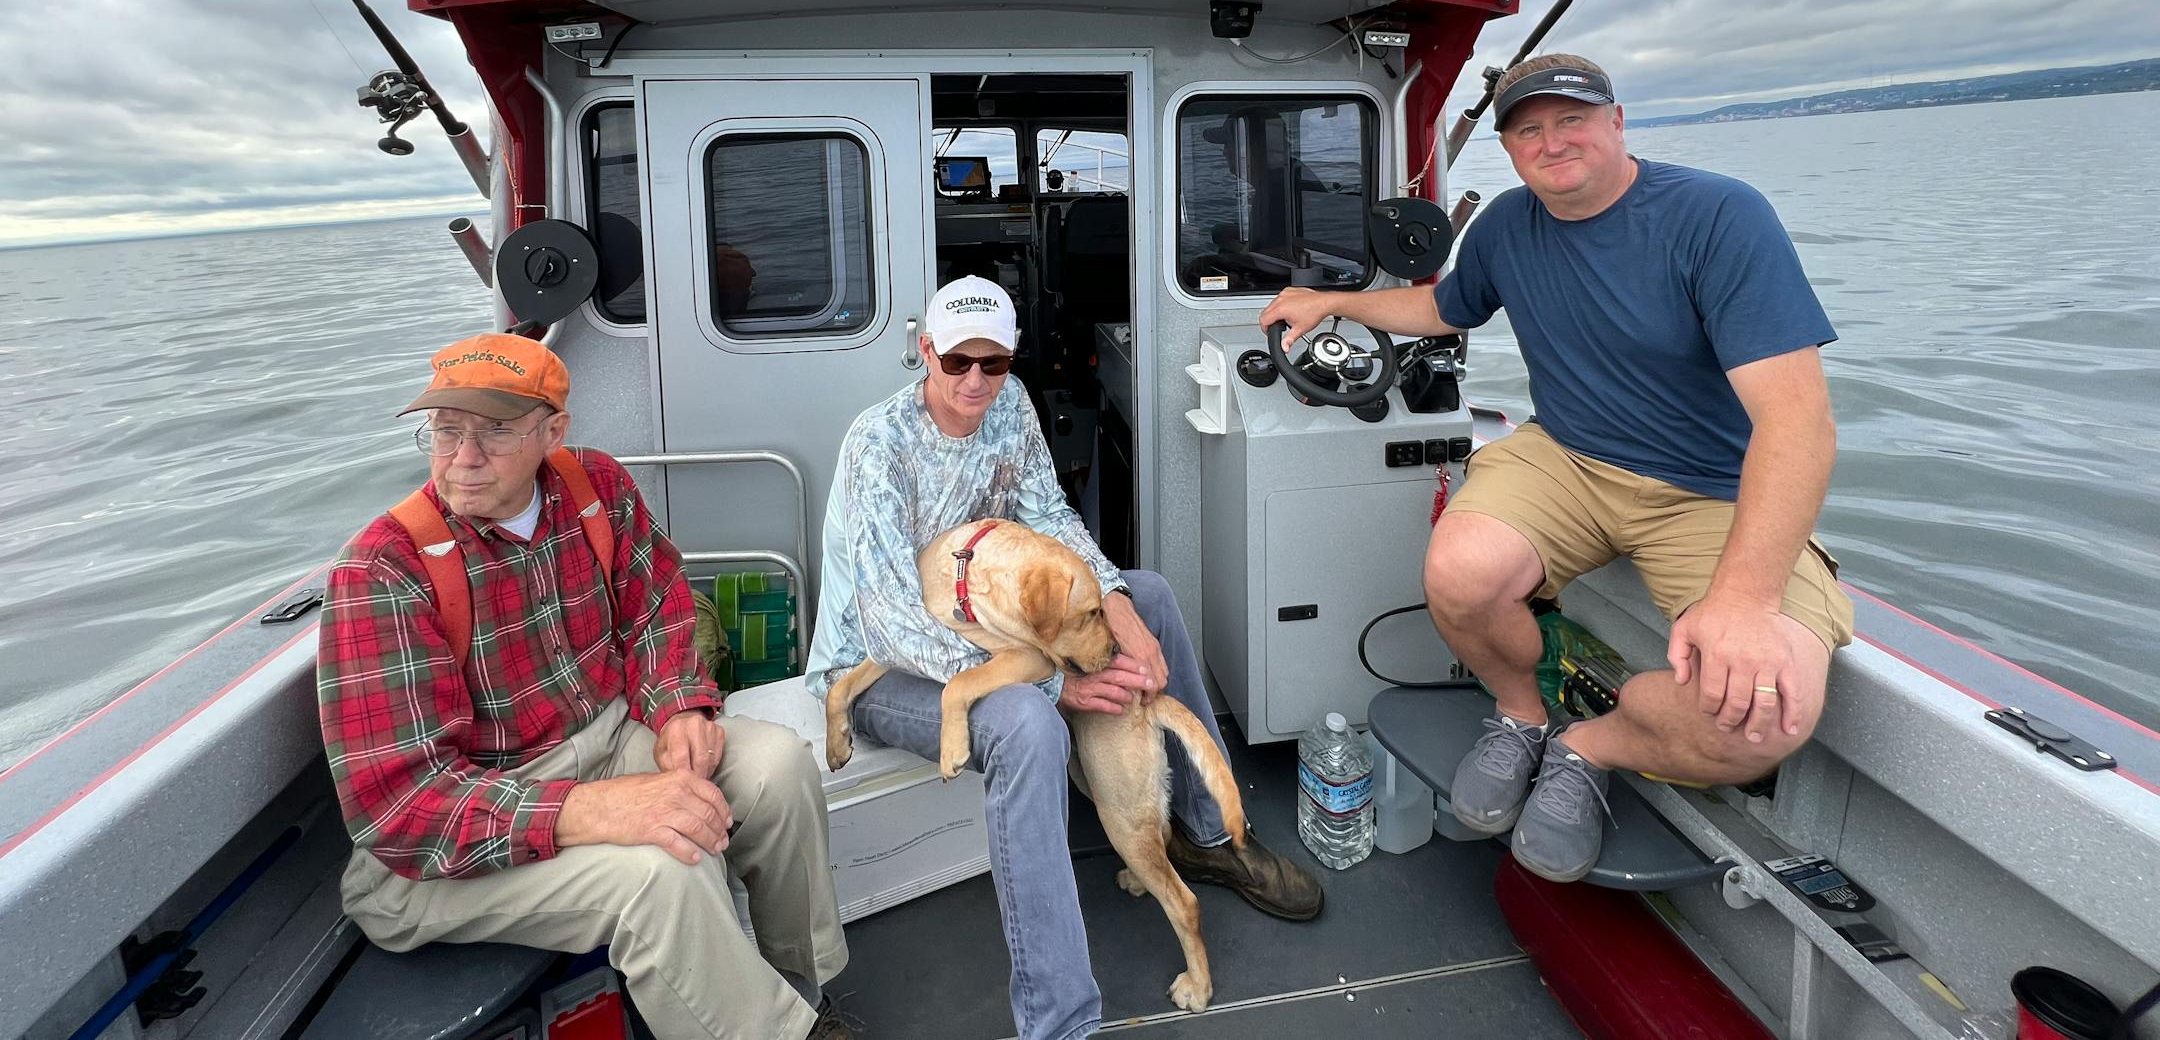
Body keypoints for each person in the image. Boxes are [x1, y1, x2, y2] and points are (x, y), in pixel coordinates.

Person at [1260, 54, 1851, 883]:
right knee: (1459, 572)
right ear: (1508, 150)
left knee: (1756, 719)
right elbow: (1442, 306)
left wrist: (1745, 600)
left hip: (1712, 488)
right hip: (1568, 456)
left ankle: (1586, 749)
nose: (1551, 141)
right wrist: (1334, 303)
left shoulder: (1719, 215)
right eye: (1527, 129)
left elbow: (1799, 425)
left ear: (1616, 121)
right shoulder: (1508, 223)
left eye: (1570, 119)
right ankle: (1520, 714)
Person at [806, 276, 1322, 1040]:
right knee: (1025, 722)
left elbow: (1048, 514)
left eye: (994, 362)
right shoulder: (877, 444)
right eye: (956, 363)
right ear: (925, 353)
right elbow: (887, 623)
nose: (976, 381)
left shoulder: (1008, 407)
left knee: (1148, 595)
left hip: (988, 635)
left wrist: (1116, 606)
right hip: (881, 668)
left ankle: (1210, 837)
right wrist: (1057, 685)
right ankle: (1058, 1019)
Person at [318, 333, 852, 1040]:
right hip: (436, 855)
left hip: (605, 737)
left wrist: (678, 704)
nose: (463, 457)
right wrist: (599, 809)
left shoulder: (592, 487)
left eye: (496, 431)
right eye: (446, 432)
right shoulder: (384, 570)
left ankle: (798, 989)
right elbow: (403, 810)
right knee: (667, 871)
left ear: (553, 432)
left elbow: (657, 602)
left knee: (777, 769)